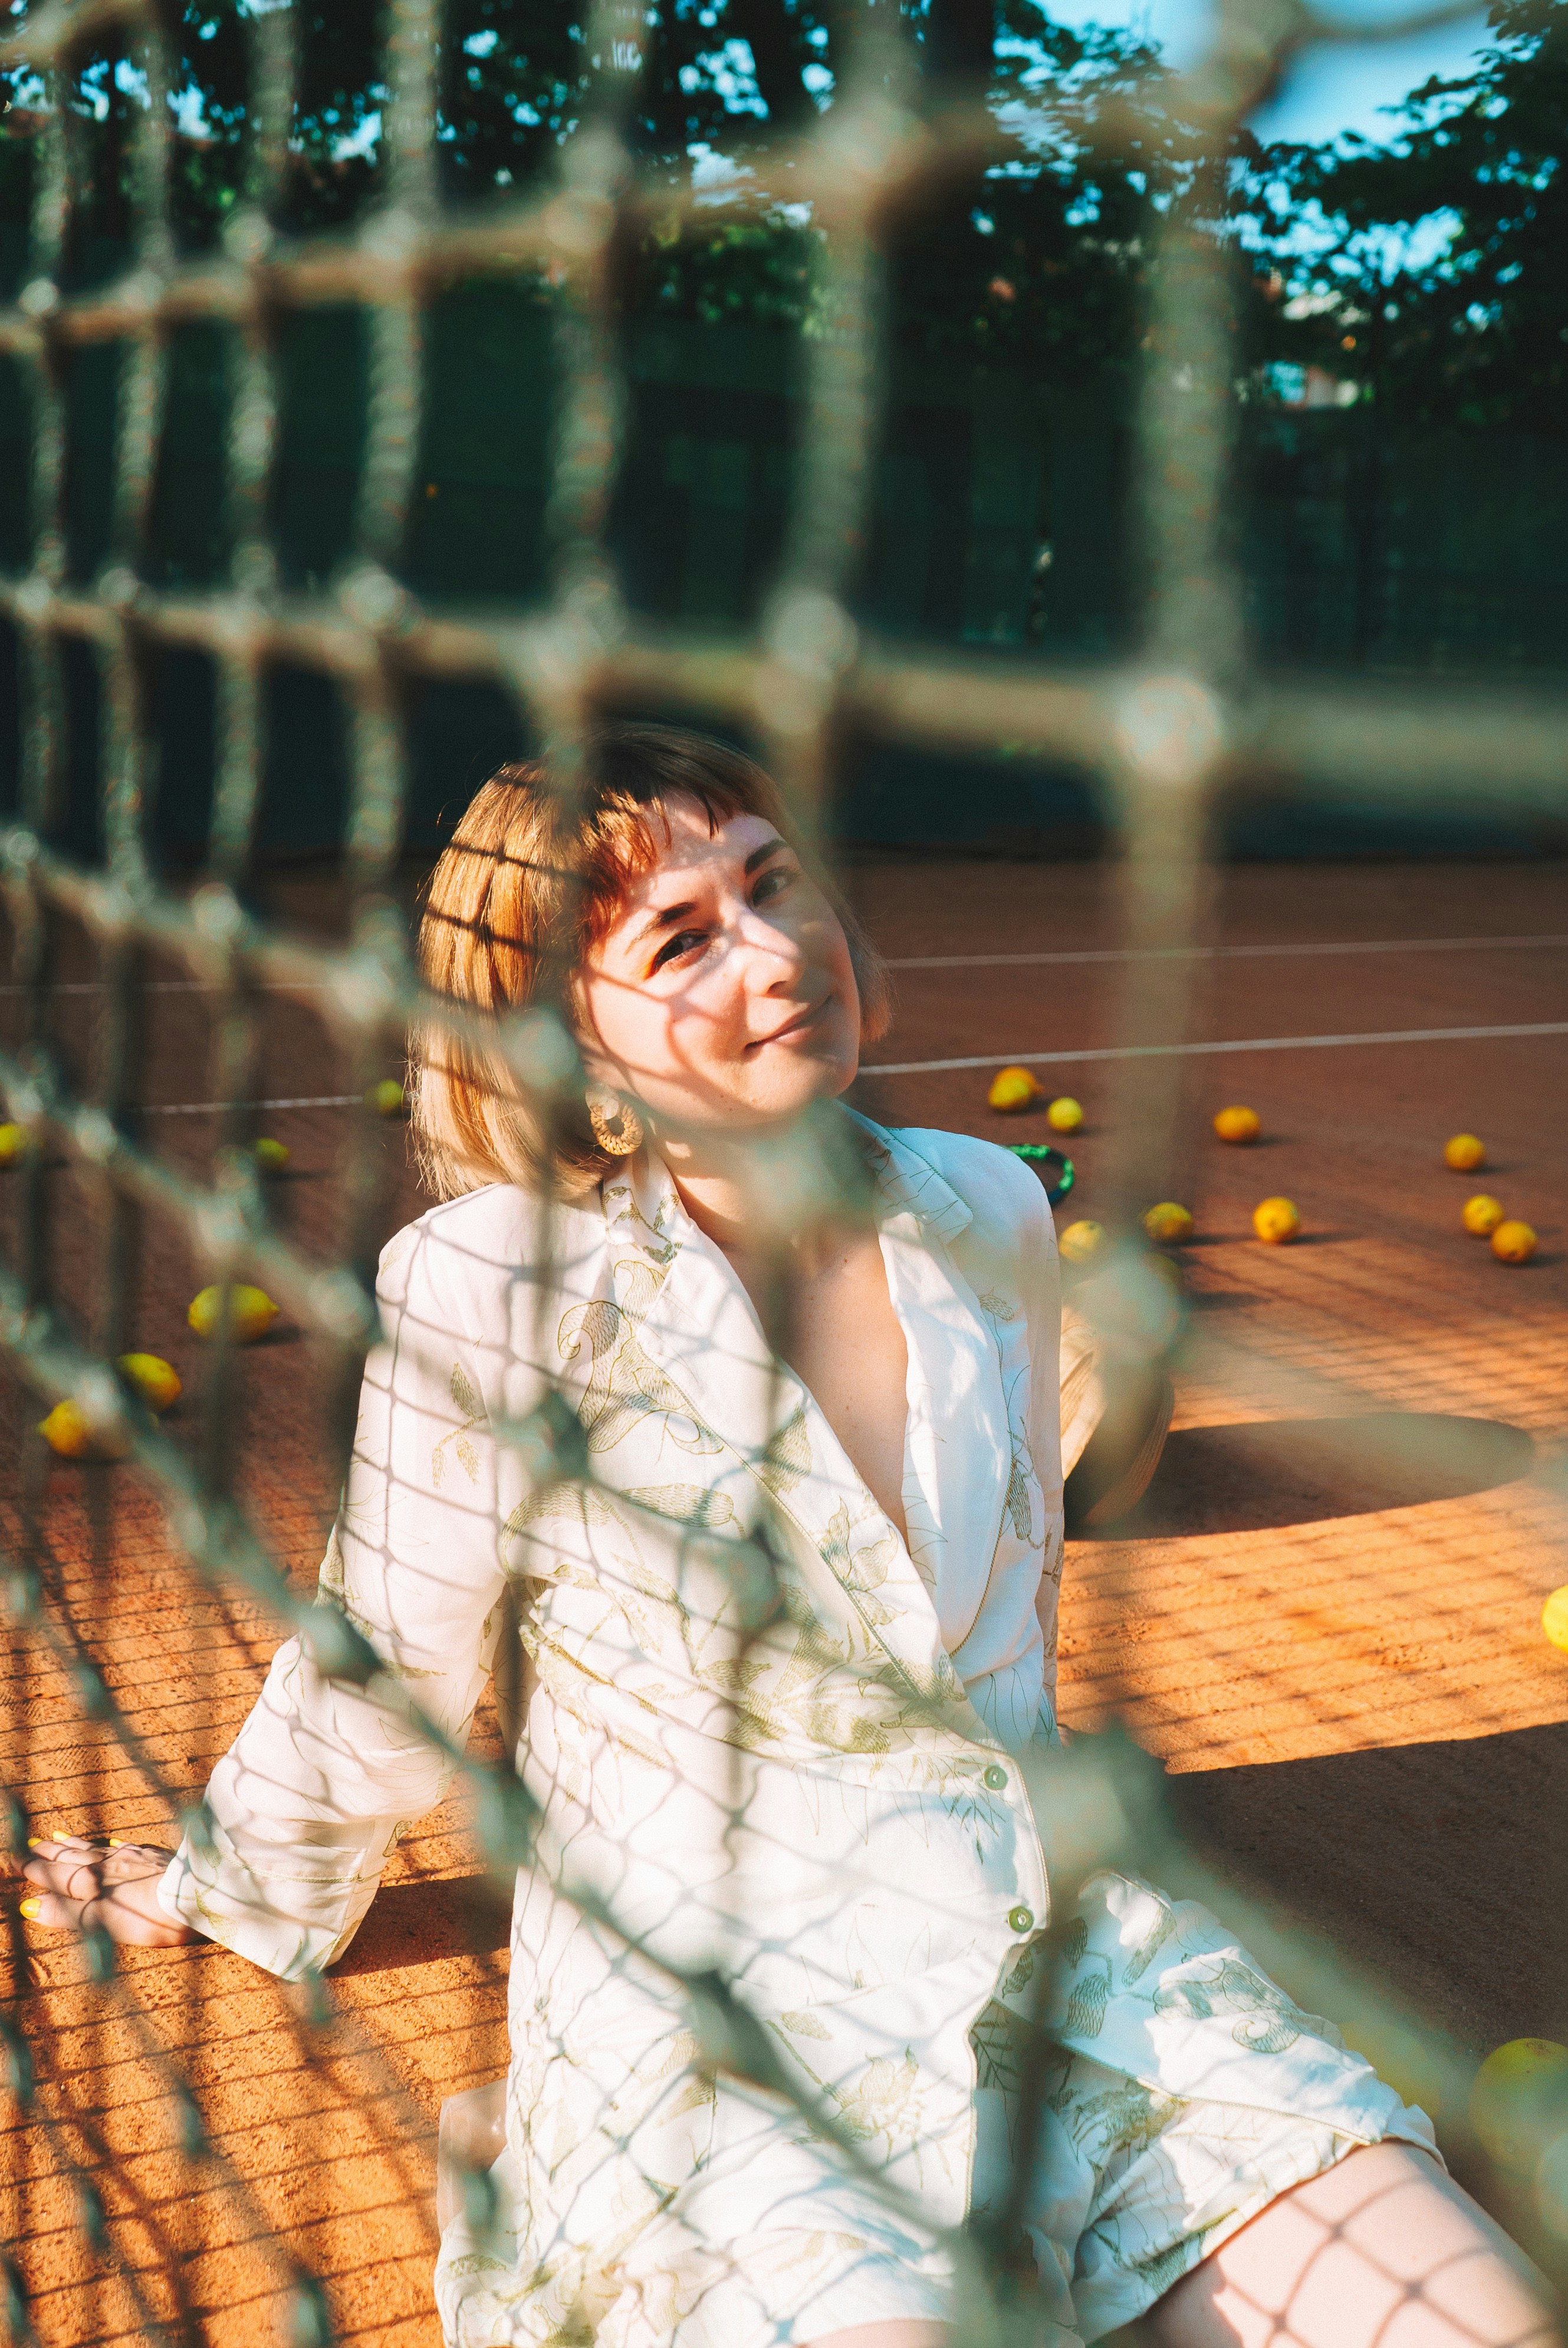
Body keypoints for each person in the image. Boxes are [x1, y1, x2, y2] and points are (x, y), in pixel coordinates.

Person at [25, 728, 1555, 2348]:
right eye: (679, 937)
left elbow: (1005, 1634)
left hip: (1067, 1957)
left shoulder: (989, 1206)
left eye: (769, 881)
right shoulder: (489, 1288)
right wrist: (227, 1877)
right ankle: (560, 2131)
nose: (770, 948)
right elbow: (387, 1663)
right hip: (722, 2013)